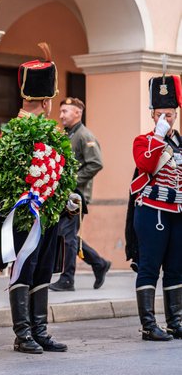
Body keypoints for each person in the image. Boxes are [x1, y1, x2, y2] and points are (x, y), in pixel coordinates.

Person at [0, 47, 69, 354]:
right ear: (47, 101)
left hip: (46, 211)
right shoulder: (17, 132)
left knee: (43, 268)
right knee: (24, 268)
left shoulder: (36, 131)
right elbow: (2, 179)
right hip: (24, 213)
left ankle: (39, 330)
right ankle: (22, 332)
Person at [130, 71, 182, 341]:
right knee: (150, 266)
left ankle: (175, 321)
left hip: (177, 213)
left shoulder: (181, 145)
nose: (165, 119)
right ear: (153, 115)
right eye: (160, 114)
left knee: (176, 267)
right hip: (152, 210)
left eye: (170, 115)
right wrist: (159, 136)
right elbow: (147, 164)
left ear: (176, 114)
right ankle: (149, 325)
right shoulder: (143, 141)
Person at [50, 97, 111, 291]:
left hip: (76, 196)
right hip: (66, 194)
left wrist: (73, 181)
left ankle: (68, 279)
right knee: (66, 235)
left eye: (65, 111)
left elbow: (96, 163)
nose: (61, 115)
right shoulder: (67, 135)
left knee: (67, 236)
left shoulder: (85, 135)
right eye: (61, 112)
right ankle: (99, 263)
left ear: (78, 113)